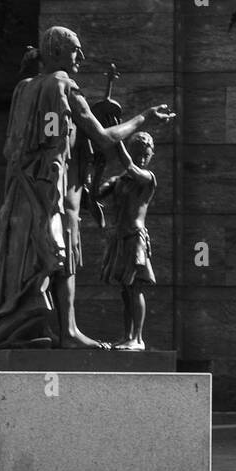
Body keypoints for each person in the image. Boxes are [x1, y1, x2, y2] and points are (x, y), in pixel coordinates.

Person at [0, 26, 175, 349]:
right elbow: (104, 138)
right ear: (55, 52)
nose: (81, 57)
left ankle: (23, 326)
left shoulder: (25, 89)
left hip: (22, 195)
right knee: (63, 255)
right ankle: (68, 331)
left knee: (29, 256)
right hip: (55, 194)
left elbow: (25, 145)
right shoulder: (63, 85)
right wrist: (144, 118)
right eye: (75, 50)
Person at [99, 131, 157, 350]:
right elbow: (94, 195)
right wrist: (91, 172)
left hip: (135, 238)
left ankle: (138, 339)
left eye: (146, 155)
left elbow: (132, 168)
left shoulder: (148, 179)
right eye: (138, 154)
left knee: (135, 289)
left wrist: (115, 139)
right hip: (120, 240)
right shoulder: (119, 181)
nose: (142, 159)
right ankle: (128, 336)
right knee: (125, 291)